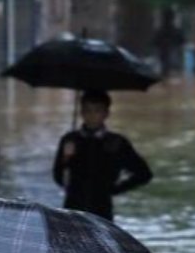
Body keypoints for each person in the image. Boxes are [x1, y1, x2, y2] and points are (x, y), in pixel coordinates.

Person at [52, 89, 153, 222]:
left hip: (102, 210)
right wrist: (66, 159)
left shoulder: (117, 143)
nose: (91, 116)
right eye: (87, 110)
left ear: (106, 113)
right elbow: (58, 175)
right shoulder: (70, 140)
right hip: (73, 209)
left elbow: (143, 174)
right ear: (81, 112)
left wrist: (114, 189)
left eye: (97, 110)